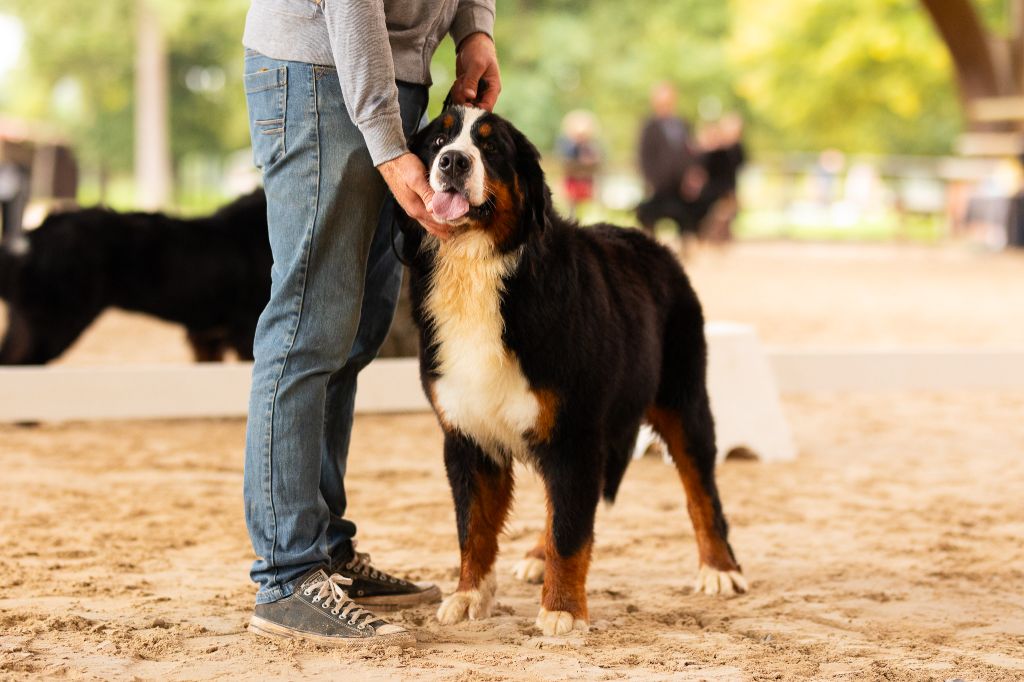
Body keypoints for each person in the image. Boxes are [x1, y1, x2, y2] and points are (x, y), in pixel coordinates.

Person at [240, 0, 500, 647]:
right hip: (319, 69)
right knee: (309, 324)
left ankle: (324, 549)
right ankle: (288, 575)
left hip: (395, 74)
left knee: (355, 331)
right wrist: (386, 141)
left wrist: (476, 30)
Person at [635, 82, 700, 235]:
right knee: (648, 215)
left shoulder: (683, 124)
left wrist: (692, 176)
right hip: (658, 183)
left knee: (688, 215)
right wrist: (649, 181)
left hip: (681, 184)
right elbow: (643, 155)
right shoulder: (649, 126)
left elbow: (691, 152)